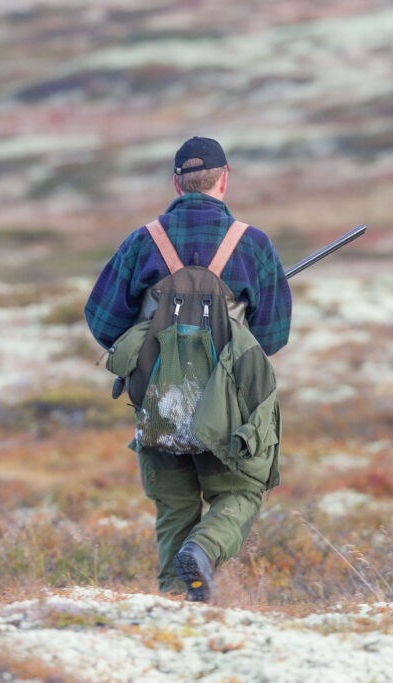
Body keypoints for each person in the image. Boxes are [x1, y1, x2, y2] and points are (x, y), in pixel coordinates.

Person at [84, 136, 292, 601]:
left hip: (159, 405)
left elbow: (102, 322)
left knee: (174, 509)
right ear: (225, 178)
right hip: (231, 414)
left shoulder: (142, 242)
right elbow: (272, 337)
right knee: (239, 494)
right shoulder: (253, 244)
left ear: (177, 183)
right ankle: (204, 548)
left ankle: (176, 608)